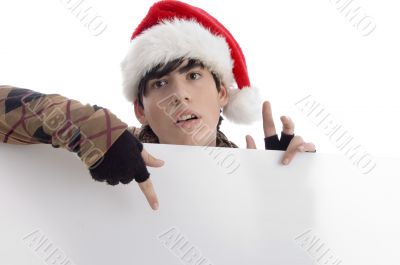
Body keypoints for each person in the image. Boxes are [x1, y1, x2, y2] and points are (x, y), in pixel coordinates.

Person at [0, 0, 315, 211]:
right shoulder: (101, 148)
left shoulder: (248, 182)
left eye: (193, 75)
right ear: (140, 108)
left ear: (223, 94)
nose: (179, 95)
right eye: (160, 83)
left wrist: (289, 196)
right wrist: (90, 131)